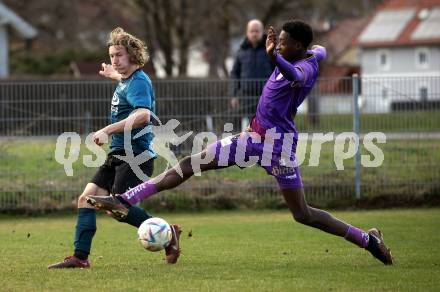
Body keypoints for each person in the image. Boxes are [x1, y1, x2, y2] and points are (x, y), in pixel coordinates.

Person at [88, 21, 393, 265]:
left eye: (285, 43)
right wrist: (307, 48)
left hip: (278, 146)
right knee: (191, 163)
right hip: (251, 137)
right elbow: (321, 48)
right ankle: (125, 199)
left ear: (297, 47)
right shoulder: (311, 53)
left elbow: (296, 74)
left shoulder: (302, 67)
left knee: (303, 214)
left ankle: (368, 240)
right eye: (279, 41)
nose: (279, 45)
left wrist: (275, 57)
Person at [48, 27, 181, 269]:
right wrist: (114, 75)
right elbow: (127, 82)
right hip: (117, 154)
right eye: (111, 55)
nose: (114, 60)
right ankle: (80, 257)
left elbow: (143, 115)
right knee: (86, 199)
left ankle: (169, 234)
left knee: (118, 207)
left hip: (136, 157)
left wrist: (107, 130)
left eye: (119, 55)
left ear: (132, 55)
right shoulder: (128, 80)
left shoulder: (139, 81)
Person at [230, 19, 273, 131]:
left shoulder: (270, 50)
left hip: (267, 97)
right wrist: (234, 95)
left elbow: (277, 72)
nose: (254, 33)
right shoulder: (241, 51)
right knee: (250, 128)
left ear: (262, 32)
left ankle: (268, 147)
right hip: (246, 97)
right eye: (252, 31)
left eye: (257, 31)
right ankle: (251, 147)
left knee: (267, 126)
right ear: (247, 32)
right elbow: (235, 74)